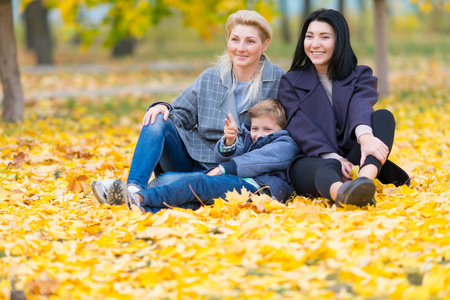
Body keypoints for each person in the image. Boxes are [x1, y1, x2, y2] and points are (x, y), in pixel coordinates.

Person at [91, 10, 286, 204]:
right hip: (192, 158)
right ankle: (133, 188)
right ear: (228, 41)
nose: (240, 48)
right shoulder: (211, 77)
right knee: (157, 118)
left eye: (250, 41)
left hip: (234, 171)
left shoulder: (278, 80)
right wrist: (162, 106)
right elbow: (179, 115)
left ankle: (143, 193)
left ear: (265, 44)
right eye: (235, 39)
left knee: (164, 182)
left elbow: (284, 137)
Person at [278, 9, 410, 208]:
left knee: (383, 117)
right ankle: (343, 194)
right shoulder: (290, 82)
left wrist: (365, 139)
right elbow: (299, 125)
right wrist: (334, 158)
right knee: (325, 167)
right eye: (309, 36)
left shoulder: (360, 75)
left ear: (339, 40)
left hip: (357, 156)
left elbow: (360, 104)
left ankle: (363, 182)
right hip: (315, 158)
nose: (315, 44)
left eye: (324, 37)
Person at [106, 98, 299, 213]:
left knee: (198, 183)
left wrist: (225, 168)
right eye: (255, 128)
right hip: (236, 183)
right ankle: (144, 208)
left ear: (280, 128)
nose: (259, 133)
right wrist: (229, 143)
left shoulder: (285, 142)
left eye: (267, 129)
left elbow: (263, 159)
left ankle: (138, 197)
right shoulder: (250, 140)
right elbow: (227, 158)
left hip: (259, 189)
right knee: (195, 200)